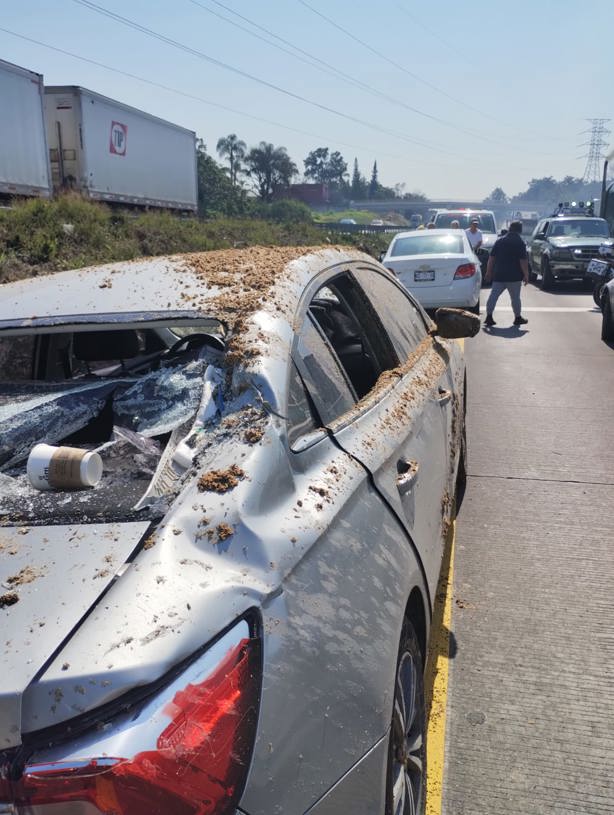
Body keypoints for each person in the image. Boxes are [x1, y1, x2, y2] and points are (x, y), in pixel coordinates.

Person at [483, 220, 529, 327]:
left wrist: (489, 272)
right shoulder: (520, 242)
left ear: (510, 229)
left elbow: (491, 258)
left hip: (499, 275)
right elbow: (523, 261)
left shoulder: (500, 241)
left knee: (493, 296)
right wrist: (526, 274)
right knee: (515, 298)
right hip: (514, 276)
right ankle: (517, 318)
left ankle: (489, 317)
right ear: (520, 230)